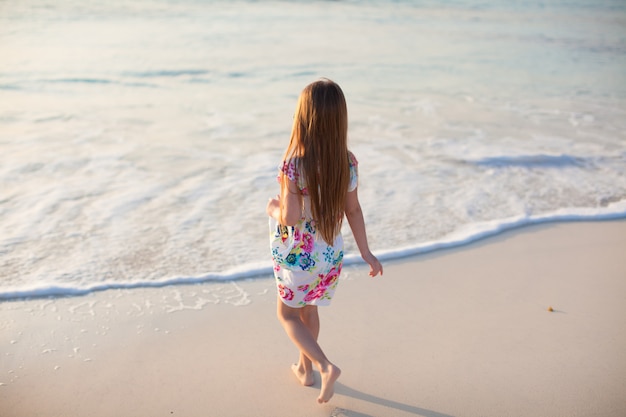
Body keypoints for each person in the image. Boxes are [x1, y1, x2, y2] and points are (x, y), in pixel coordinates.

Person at [266, 78, 383, 404]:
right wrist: (367, 253)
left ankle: (324, 365)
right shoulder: (347, 163)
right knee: (309, 310)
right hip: (330, 254)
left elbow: (290, 217)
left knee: (288, 315)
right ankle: (305, 370)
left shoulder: (294, 164)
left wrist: (272, 208)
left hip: (297, 256)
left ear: (303, 118)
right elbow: (354, 210)